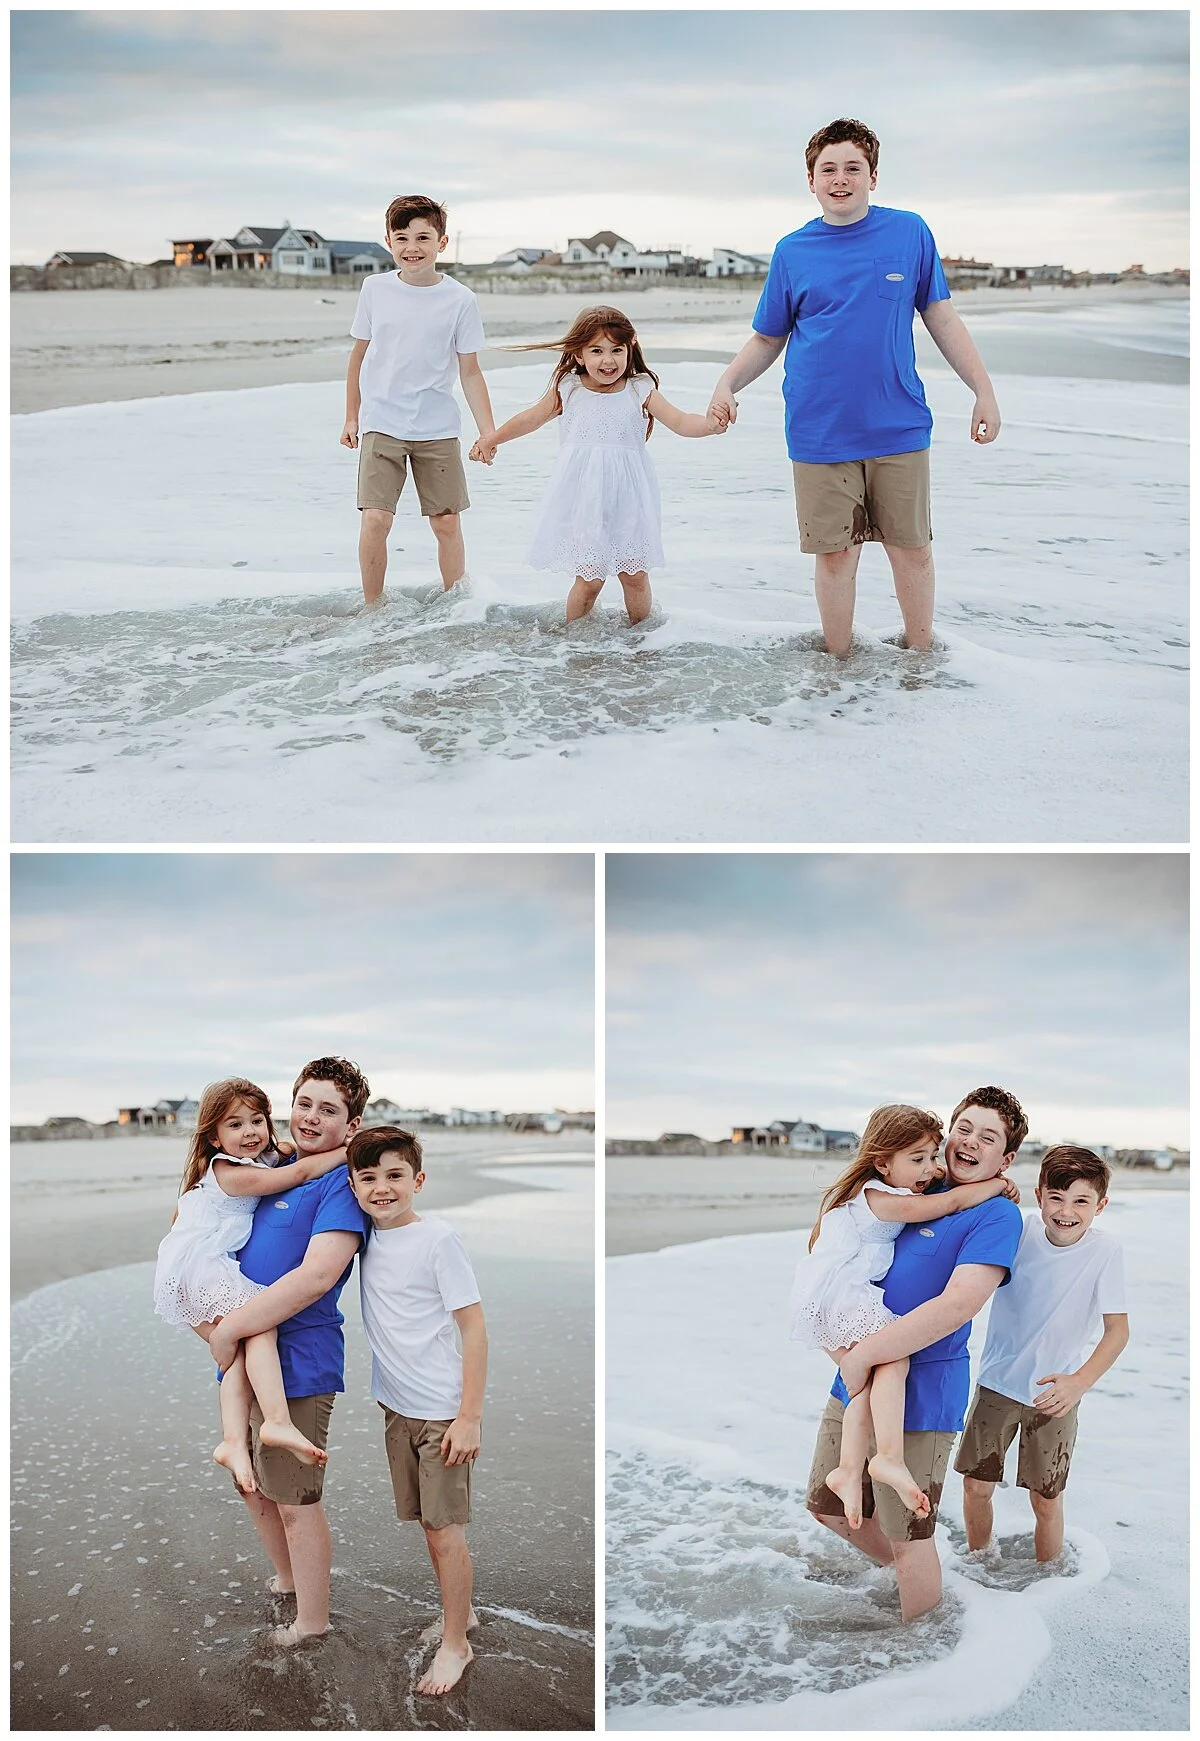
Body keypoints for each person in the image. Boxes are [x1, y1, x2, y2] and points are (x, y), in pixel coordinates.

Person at [708, 117, 1002, 657]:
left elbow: (941, 317)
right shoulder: (793, 251)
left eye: (853, 167)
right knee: (836, 556)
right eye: (828, 169)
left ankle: (920, 663)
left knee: (912, 551)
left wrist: (982, 390)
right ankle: (838, 668)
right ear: (811, 180)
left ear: (872, 176)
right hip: (820, 431)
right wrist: (728, 383)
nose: (840, 178)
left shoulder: (909, 231)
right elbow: (767, 339)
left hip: (899, 425)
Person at [808, 1087, 1026, 1619]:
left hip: (922, 1389)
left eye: (988, 1137)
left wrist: (862, 1357)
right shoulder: (910, 1188)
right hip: (861, 1371)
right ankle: (902, 1583)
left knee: (908, 1533)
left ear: (1007, 1159)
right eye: (965, 1128)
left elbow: (958, 1306)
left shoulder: (996, 1216)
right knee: (828, 1506)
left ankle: (922, 1645)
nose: (970, 1142)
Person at [206, 1057, 371, 1647]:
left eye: (329, 1110)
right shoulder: (272, 1166)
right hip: (250, 1349)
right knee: (252, 1479)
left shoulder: (340, 1185)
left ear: (351, 1126)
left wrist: (228, 1331)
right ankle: (287, 1578)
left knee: (296, 1495)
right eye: (305, 1103)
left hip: (298, 1358)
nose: (311, 1117)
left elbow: (316, 1276)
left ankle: (313, 1620)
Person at [469, 305, 725, 624]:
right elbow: (530, 419)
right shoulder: (569, 389)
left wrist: (710, 425)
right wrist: (492, 439)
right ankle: (573, 645)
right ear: (579, 354)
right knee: (590, 581)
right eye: (597, 350)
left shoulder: (639, 389)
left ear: (630, 348)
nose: (608, 360)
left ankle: (641, 643)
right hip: (584, 499)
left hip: (630, 500)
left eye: (617, 350)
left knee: (634, 576)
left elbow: (681, 421)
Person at [153, 1077, 349, 1492]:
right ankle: (275, 1421)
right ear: (215, 1137)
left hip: (195, 1269)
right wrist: (349, 1150)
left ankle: (231, 1442)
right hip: (200, 1270)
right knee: (260, 1326)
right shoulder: (230, 1172)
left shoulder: (256, 1158)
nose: (250, 1133)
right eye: (235, 1125)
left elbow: (287, 1154)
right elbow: (300, 1173)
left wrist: (290, 1148)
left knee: (242, 1350)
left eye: (257, 1121)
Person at [348, 1125, 488, 1698]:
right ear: (354, 1187)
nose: (382, 1188)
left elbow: (474, 1327)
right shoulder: (362, 1238)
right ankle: (466, 1614)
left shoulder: (438, 1240)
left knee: (443, 1531)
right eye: (369, 1177)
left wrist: (469, 1416)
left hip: (440, 1412)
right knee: (426, 1527)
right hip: (396, 1407)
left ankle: (456, 1642)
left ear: (418, 1180)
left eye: (395, 1175)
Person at [955, 1144, 1129, 1564]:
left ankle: (1047, 1584)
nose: (1066, 1211)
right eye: (1057, 1197)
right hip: (997, 1383)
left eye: (1081, 1201)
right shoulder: (1020, 1232)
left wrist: (1079, 1382)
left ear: (1100, 1205)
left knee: (1046, 1500)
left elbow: (1117, 1331)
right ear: (1040, 1196)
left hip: (1056, 1395)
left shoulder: (1106, 1252)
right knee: (976, 1487)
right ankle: (981, 1567)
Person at [341, 195, 496, 607]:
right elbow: (358, 356)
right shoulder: (374, 289)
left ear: (441, 243)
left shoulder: (461, 300)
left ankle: (457, 607)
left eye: (423, 237)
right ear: (389, 243)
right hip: (382, 423)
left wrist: (488, 432)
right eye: (402, 237)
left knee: (446, 523)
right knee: (376, 520)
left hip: (437, 428)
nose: (413, 247)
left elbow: (470, 371)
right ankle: (372, 608)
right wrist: (351, 417)